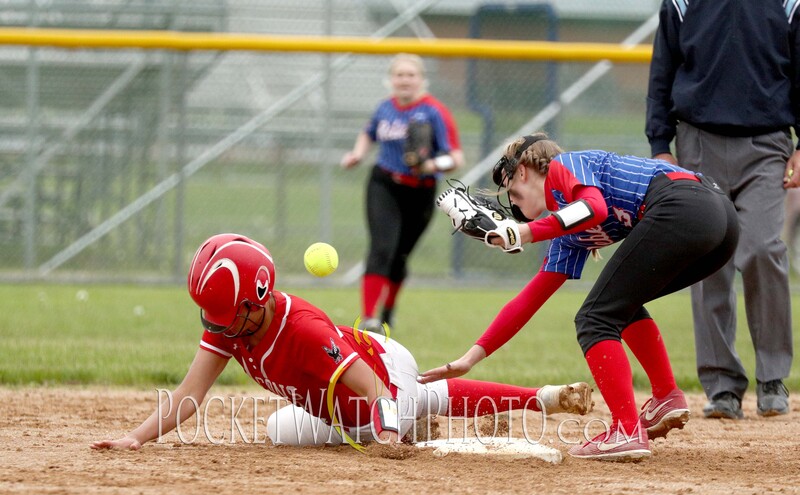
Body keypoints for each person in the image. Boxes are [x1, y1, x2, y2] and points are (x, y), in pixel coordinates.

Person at [91, 233, 593, 451]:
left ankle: (541, 399)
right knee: (280, 432)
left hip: (382, 369)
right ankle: (422, 416)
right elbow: (188, 395)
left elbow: (370, 384)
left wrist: (390, 429)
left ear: (258, 300)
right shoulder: (232, 322)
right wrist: (135, 437)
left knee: (394, 413)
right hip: (336, 399)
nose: (217, 325)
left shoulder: (302, 330)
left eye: (227, 315)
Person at [422, 133, 740, 462]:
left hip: (686, 205)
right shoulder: (568, 233)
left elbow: (594, 207)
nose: (514, 205)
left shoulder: (565, 165)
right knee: (617, 304)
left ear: (523, 171)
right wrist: (471, 358)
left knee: (594, 318)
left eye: (513, 193)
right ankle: (666, 397)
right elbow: (528, 300)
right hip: (719, 222)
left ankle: (626, 430)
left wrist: (526, 232)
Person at [645, 0, 798, 419]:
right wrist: (660, 145)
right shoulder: (681, 1)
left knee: (765, 248)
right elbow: (663, 70)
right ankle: (722, 385)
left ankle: (772, 377)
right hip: (697, 143)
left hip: (766, 145)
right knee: (708, 260)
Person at [341, 53, 464, 334]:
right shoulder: (385, 108)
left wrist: (430, 164)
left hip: (420, 190)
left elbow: (455, 157)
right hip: (384, 183)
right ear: (390, 80)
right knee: (382, 248)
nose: (405, 80)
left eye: (411, 75)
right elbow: (368, 133)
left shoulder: (434, 111)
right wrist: (358, 154)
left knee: (400, 256)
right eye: (399, 75)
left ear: (422, 80)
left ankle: (387, 312)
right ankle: (369, 318)